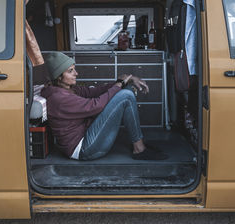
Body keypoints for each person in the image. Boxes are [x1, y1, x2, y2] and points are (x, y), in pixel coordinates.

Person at [40, 52, 168, 161]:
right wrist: (119, 85)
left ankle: (139, 144)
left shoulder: (68, 89)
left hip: (86, 135)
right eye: (70, 71)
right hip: (84, 149)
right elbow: (95, 106)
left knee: (125, 89)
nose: (76, 73)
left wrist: (122, 81)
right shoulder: (59, 98)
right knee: (126, 95)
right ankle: (139, 149)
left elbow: (95, 91)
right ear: (59, 76)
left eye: (74, 69)